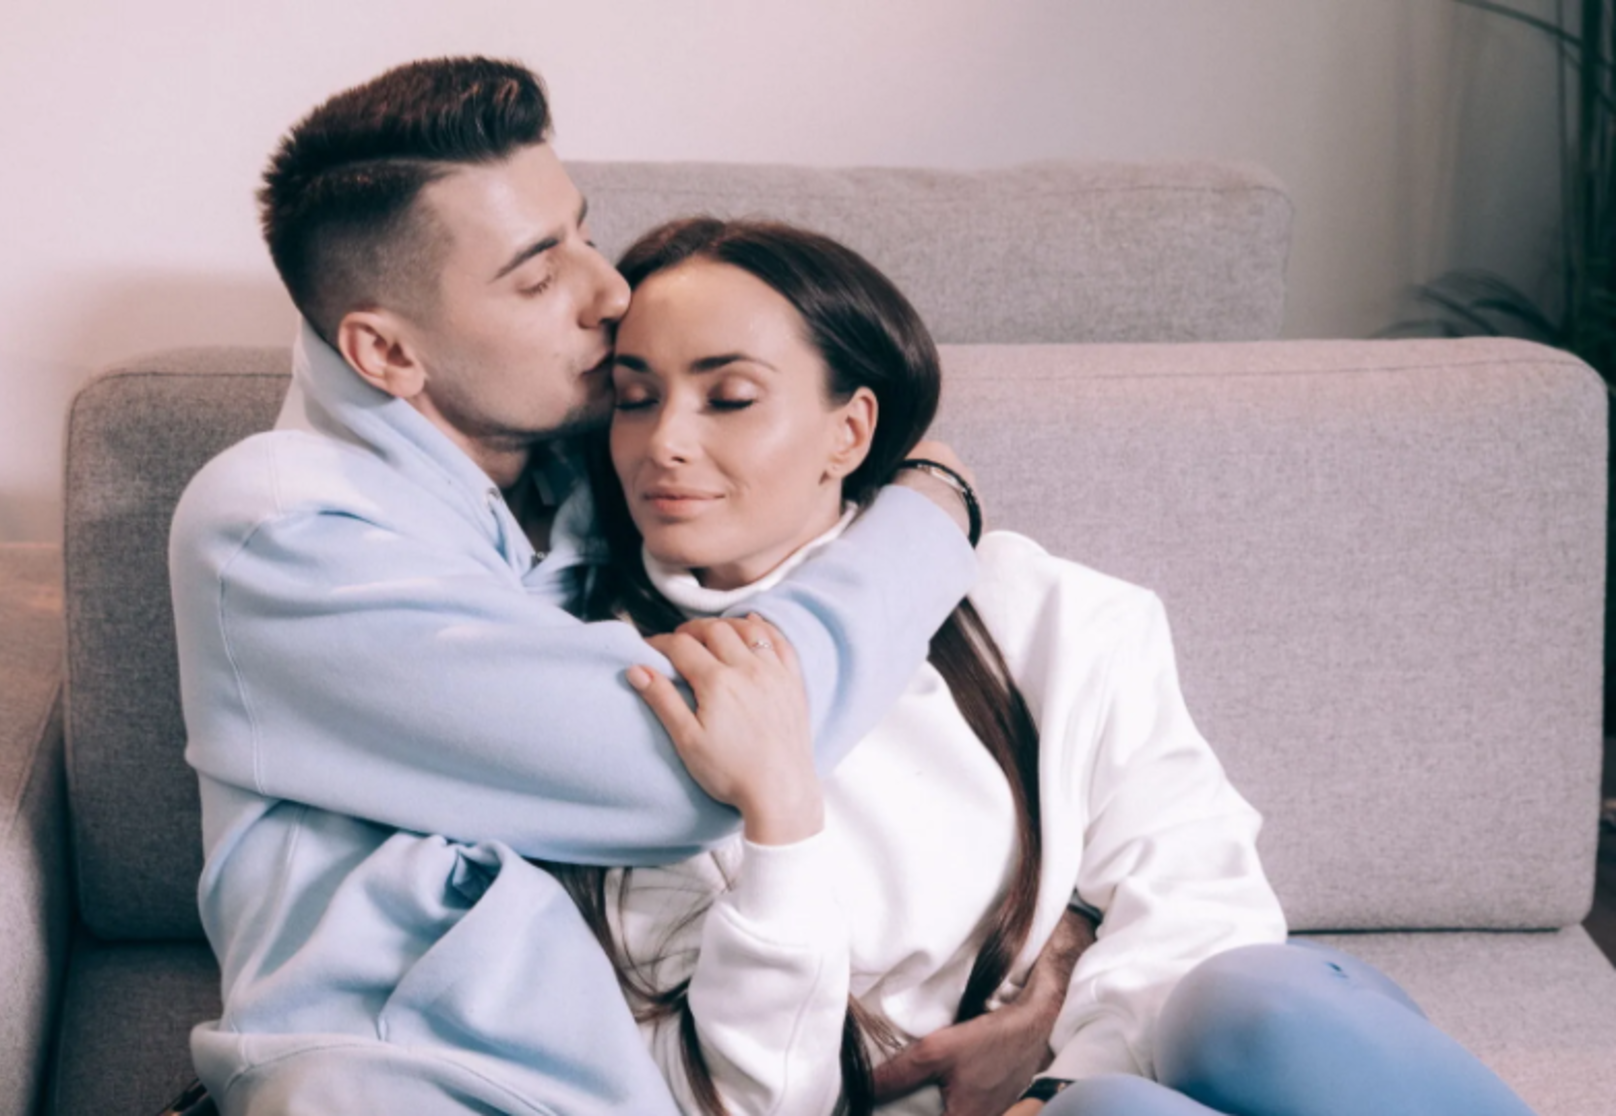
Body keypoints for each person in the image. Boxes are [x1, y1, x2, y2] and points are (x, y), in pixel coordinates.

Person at [169, 57, 1095, 1114]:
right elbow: (687, 766)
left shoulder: (590, 472)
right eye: (537, 277)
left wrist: (1058, 971)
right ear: (386, 351)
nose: (608, 293)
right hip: (395, 1083)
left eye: (583, 233)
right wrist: (930, 511)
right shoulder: (282, 529)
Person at [558, 215, 1540, 1116]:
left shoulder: (1036, 609)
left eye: (729, 398)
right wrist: (780, 822)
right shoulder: (605, 693)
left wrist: (1057, 1076)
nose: (664, 442)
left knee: (1256, 1000)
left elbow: (1197, 888)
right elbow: (746, 1099)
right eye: (635, 400)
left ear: (849, 430)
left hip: (1120, 1066)